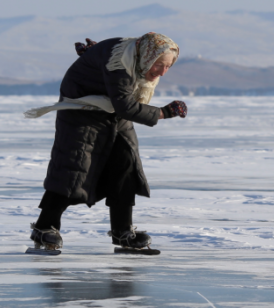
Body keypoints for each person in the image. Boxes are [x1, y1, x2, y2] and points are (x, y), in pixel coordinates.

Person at [25, 32, 188, 251]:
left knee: (126, 166)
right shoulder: (120, 62)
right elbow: (126, 106)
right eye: (159, 65)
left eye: (168, 66)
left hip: (112, 111)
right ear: (148, 55)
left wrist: (93, 57)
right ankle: (44, 228)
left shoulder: (133, 54)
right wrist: (164, 112)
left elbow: (107, 62)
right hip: (82, 111)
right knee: (74, 169)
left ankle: (123, 232)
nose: (162, 72)